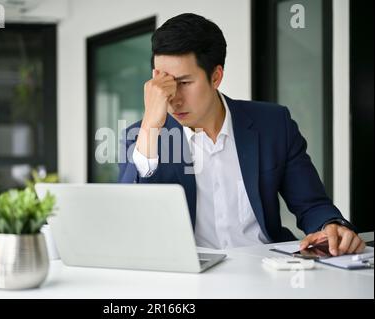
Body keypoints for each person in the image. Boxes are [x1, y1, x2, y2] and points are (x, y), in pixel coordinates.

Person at [118, 13, 365, 256]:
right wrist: (150, 124)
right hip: (190, 280)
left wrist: (330, 226)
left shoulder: (273, 124)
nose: (173, 98)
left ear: (216, 77)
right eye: (165, 84)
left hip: (267, 270)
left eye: (183, 83)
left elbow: (311, 205)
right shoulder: (140, 138)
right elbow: (128, 224)